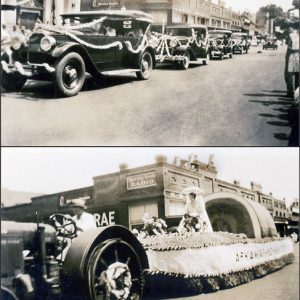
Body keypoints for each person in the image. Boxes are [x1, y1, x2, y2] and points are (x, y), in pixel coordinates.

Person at [285, 21, 299, 98]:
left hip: (292, 55)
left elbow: (289, 46)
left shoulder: (291, 35)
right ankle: (296, 94)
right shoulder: (292, 34)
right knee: (297, 76)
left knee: (290, 75)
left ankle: (291, 92)